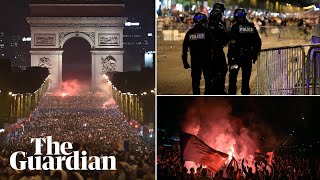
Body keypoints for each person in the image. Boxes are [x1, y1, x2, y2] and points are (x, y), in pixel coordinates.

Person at [227, 8, 261, 95]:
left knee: (232, 78)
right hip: (247, 57)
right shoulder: (251, 26)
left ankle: (232, 99)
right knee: (246, 79)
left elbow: (231, 43)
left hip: (235, 57)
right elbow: (258, 42)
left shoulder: (235, 27)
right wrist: (254, 54)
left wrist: (230, 57)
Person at [182, 12, 214, 95]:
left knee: (195, 82)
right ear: (204, 22)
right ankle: (208, 98)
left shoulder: (189, 33)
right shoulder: (207, 32)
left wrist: (185, 62)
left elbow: (184, 49)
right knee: (208, 81)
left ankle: (197, 99)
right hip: (206, 60)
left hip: (195, 61)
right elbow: (214, 46)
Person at [208, 8, 229, 94]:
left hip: (208, 52)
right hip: (218, 51)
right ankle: (220, 89)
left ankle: (210, 90)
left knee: (210, 72)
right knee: (222, 70)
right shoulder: (219, 26)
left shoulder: (206, 25)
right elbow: (225, 38)